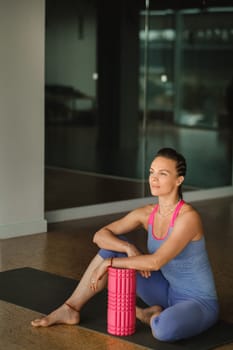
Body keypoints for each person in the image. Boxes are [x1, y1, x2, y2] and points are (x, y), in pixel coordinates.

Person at [31, 147, 219, 342]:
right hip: (166, 292)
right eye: (151, 172)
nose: (154, 178)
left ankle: (150, 315)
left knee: (163, 330)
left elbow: (155, 262)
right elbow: (100, 235)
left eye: (163, 174)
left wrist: (109, 263)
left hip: (199, 302)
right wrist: (127, 248)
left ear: (179, 180)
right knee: (112, 247)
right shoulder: (147, 213)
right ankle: (70, 309)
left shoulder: (188, 218)